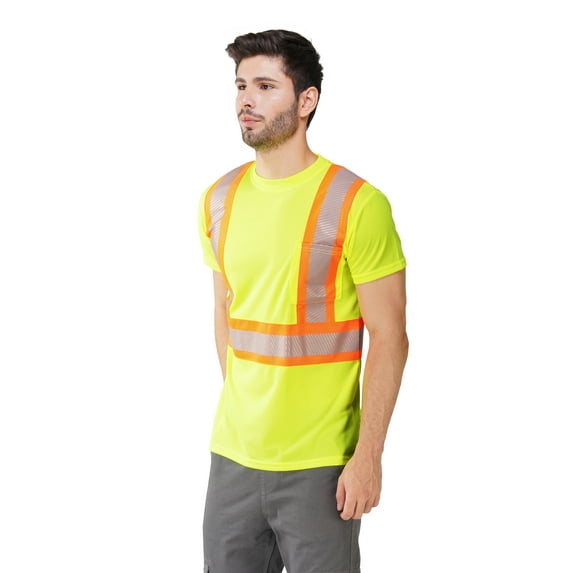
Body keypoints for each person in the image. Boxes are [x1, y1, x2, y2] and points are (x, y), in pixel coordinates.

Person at [198, 29, 408, 573]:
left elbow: (390, 336)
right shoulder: (218, 199)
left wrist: (368, 457)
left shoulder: (357, 203)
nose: (247, 99)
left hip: (322, 466)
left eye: (266, 86)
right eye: (241, 85)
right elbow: (224, 310)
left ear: (306, 100)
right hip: (233, 460)